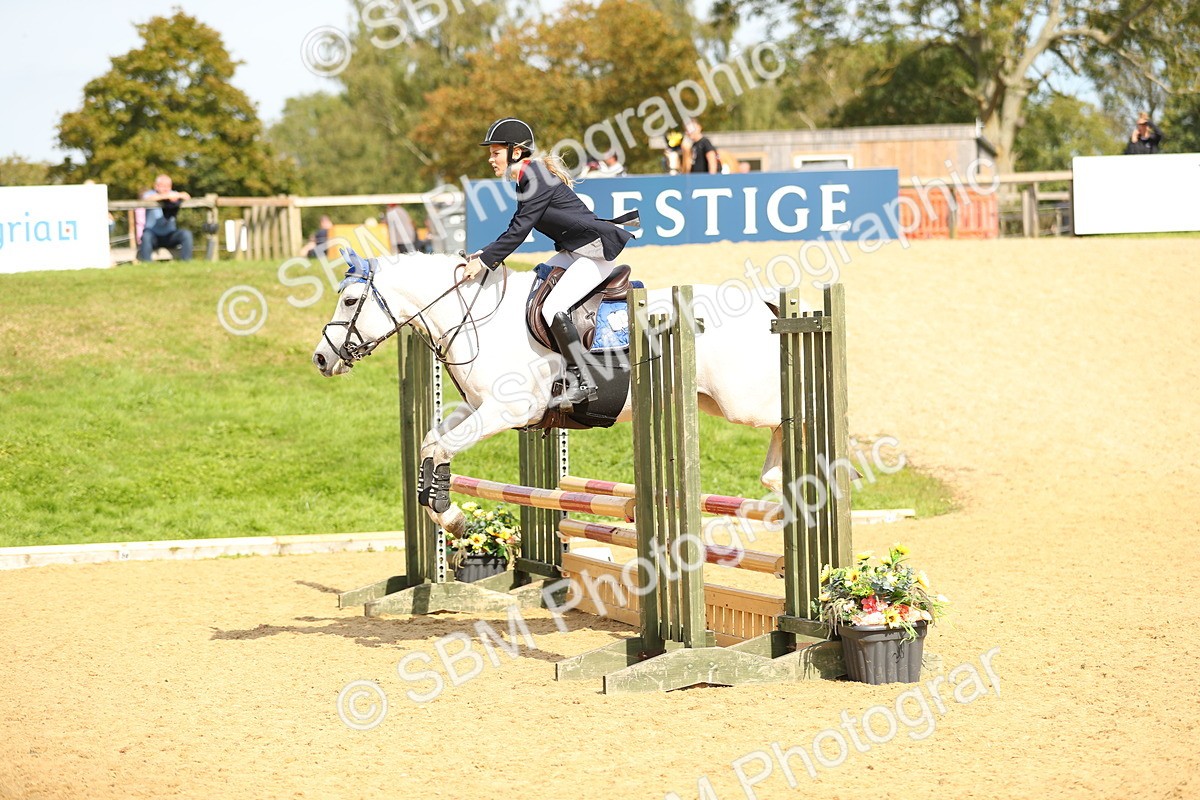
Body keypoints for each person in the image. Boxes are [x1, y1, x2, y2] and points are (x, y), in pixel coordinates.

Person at [464, 117, 637, 410]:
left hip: (593, 253)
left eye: (495, 152)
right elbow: (515, 226)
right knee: (535, 283)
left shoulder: (536, 178)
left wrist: (487, 262)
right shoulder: (527, 178)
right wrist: (484, 253)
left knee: (552, 307)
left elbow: (519, 231)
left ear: (515, 152)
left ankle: (583, 380)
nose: (490, 159)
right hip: (576, 251)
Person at [138, 174, 193, 262]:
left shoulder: (173, 194)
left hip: (169, 235)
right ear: (156, 186)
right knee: (146, 236)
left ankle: (187, 262)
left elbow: (186, 196)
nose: (166, 188)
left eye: (168, 186)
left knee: (186, 234)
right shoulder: (150, 194)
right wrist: (166, 197)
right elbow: (146, 199)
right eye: (163, 186)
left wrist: (177, 195)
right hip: (153, 235)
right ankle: (146, 263)